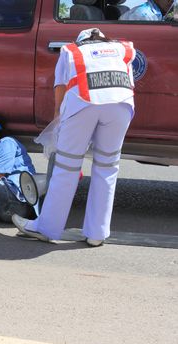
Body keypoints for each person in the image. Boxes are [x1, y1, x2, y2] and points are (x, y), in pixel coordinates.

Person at [12, 28, 136, 247]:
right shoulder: (122, 48)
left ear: (81, 41)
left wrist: (58, 117)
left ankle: (47, 228)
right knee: (107, 167)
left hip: (83, 104)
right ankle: (97, 234)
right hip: (122, 105)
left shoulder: (71, 51)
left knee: (66, 167)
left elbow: (60, 88)